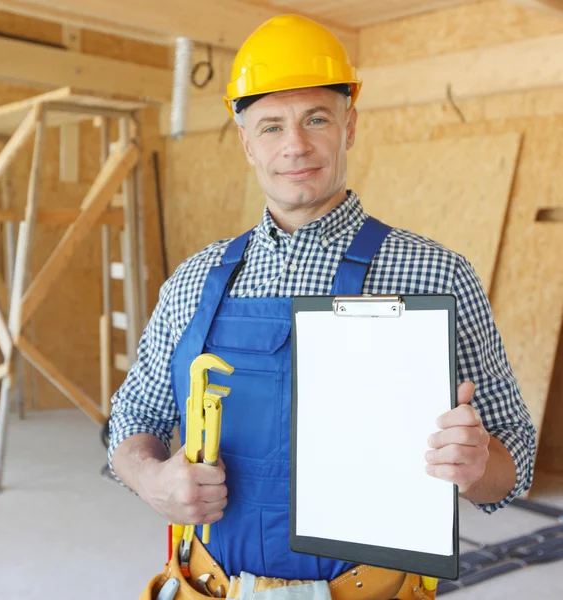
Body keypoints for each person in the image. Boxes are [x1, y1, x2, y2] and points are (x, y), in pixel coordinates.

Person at [109, 13, 536, 599]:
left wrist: (476, 466)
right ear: (245, 143)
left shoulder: (437, 274)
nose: (296, 146)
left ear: (350, 126)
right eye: (271, 127)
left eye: (316, 119)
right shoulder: (195, 280)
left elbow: (515, 455)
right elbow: (133, 418)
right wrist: (152, 478)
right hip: (207, 586)